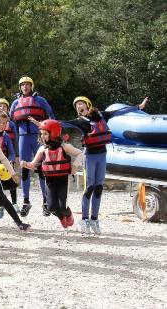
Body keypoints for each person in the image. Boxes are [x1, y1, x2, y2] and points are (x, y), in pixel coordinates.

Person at [60, 96, 148, 234]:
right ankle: (84, 220)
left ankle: (95, 220)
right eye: (76, 105)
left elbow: (120, 112)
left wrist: (138, 107)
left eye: (81, 104)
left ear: (88, 105)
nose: (78, 107)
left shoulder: (101, 115)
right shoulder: (80, 122)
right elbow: (62, 123)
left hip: (102, 155)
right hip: (89, 157)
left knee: (99, 187)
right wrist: (41, 123)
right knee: (89, 188)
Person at [21, 119, 84, 229]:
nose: (42, 136)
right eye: (41, 134)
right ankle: (61, 217)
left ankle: (68, 214)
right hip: (50, 181)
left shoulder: (64, 146)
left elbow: (80, 154)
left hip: (63, 180)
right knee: (51, 207)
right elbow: (33, 164)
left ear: (54, 133)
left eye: (45, 134)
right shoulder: (42, 149)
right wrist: (26, 164)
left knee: (62, 207)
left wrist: (75, 166)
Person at [9, 76, 55, 217]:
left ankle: (46, 202)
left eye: (28, 84)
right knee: (24, 170)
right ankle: (26, 201)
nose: (25, 87)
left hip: (38, 138)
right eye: (22, 85)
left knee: (42, 169)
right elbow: (9, 121)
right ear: (20, 87)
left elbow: (51, 115)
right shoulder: (16, 102)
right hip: (22, 138)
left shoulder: (40, 100)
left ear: (32, 86)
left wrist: (49, 131)